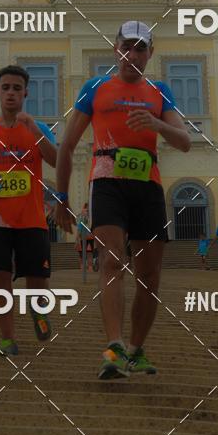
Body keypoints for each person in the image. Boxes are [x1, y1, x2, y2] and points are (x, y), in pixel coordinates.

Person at [54, 20, 191, 379]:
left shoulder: (159, 92)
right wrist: (62, 197)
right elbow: (67, 145)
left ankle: (135, 349)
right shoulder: (95, 87)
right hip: (106, 181)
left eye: (141, 48)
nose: (133, 54)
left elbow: (184, 140)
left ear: (150, 54)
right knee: (111, 261)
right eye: (127, 46)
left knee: (149, 276)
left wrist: (156, 124)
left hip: (147, 184)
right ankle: (113, 347)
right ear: (115, 49)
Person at [0, 65, 57, 356]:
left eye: (17, 88)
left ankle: (38, 311)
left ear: (26, 93)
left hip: (31, 217)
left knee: (37, 278)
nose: (11, 93)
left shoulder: (38, 128)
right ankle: (7, 339)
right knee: (1, 278)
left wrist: (35, 132)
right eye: (6, 87)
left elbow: (56, 161)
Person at [75, 202, 95, 272]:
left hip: (89, 237)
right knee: (83, 254)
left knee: (88, 253)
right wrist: (77, 238)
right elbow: (79, 227)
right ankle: (84, 267)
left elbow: (79, 227)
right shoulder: (84, 216)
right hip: (85, 237)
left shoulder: (90, 216)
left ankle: (88, 267)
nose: (87, 210)